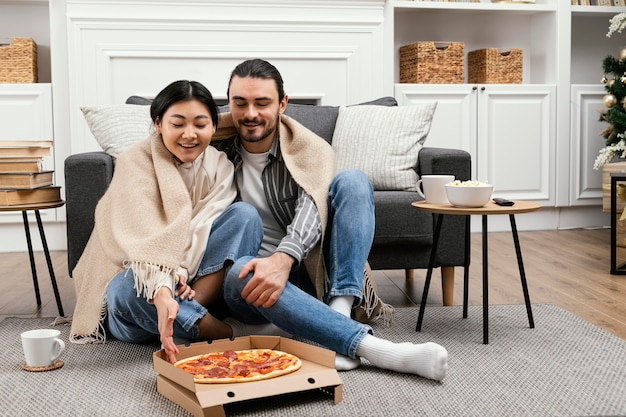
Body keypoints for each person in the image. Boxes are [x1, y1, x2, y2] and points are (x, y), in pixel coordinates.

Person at [213, 59, 448, 380]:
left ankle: (339, 307)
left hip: (305, 275)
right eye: (240, 103)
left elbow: (314, 202)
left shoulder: (308, 147)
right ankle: (378, 350)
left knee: (353, 180)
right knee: (241, 269)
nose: (250, 113)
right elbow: (166, 137)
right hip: (244, 285)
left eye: (262, 103)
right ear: (229, 103)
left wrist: (283, 259)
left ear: (283, 104)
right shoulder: (211, 147)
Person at [69, 80, 284, 364]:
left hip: (193, 288)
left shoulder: (219, 165)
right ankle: (224, 332)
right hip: (145, 295)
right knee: (123, 289)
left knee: (245, 215)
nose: (189, 135)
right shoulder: (135, 164)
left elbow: (204, 226)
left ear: (214, 127)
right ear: (158, 124)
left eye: (200, 124)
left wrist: (181, 274)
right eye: (178, 124)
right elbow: (142, 245)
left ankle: (188, 323)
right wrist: (163, 288)